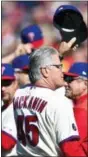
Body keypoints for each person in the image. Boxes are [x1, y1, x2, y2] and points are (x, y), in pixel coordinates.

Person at [13, 46, 86, 157]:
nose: (62, 71)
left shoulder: (19, 94)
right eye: (58, 67)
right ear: (45, 71)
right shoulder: (60, 102)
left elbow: (31, 80)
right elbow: (70, 150)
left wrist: (57, 55)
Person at [64, 62, 88, 156]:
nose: (66, 83)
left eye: (70, 79)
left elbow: (70, 149)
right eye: (66, 79)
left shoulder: (82, 109)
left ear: (85, 84)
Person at [1, 63, 19, 156]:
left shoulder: (18, 108)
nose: (2, 88)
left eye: (7, 83)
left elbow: (7, 142)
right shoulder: (3, 108)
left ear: (15, 83)